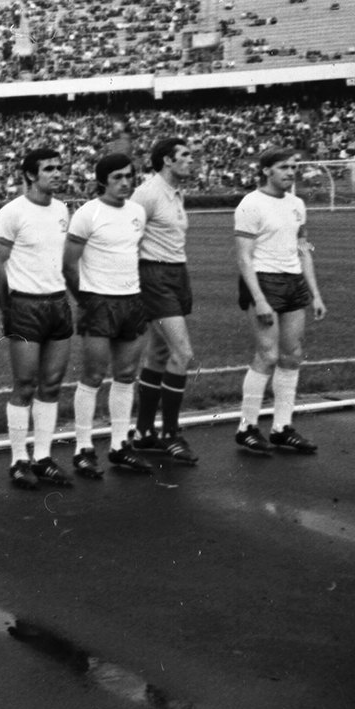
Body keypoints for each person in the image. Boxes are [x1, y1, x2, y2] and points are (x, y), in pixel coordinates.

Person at [0, 148, 76, 491]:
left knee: (52, 384)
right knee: (24, 384)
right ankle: (17, 459)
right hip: (25, 306)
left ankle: (42, 456)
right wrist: (7, 309)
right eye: (49, 169)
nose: (57, 173)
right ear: (30, 175)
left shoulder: (61, 209)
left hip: (57, 304)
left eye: (59, 167)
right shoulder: (13, 212)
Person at [62, 153, 155, 479]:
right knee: (92, 376)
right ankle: (83, 448)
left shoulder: (137, 212)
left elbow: (133, 252)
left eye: (130, 176)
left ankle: (119, 445)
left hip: (131, 302)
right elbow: (69, 265)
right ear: (103, 180)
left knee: (127, 374)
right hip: (99, 304)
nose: (125, 182)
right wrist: (86, 301)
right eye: (118, 177)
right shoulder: (87, 214)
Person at [233, 148, 327, 455]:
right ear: (266, 171)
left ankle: (281, 427)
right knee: (267, 355)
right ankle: (246, 427)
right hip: (263, 281)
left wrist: (315, 293)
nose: (291, 172)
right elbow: (244, 257)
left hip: (293, 282)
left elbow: (303, 248)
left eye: (293, 167)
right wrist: (259, 299)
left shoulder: (297, 204)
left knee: (292, 356)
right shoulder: (250, 204)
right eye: (283, 167)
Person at [130, 138, 200, 465]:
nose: (191, 160)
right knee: (182, 352)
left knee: (158, 353)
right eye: (185, 155)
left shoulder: (175, 192)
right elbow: (128, 236)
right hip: (154, 276)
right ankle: (171, 433)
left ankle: (144, 433)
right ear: (167, 161)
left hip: (176, 273)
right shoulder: (147, 193)